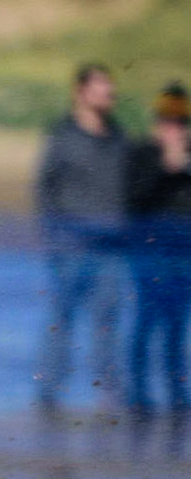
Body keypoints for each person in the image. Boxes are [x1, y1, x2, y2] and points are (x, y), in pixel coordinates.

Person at [33, 63, 129, 416]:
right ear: (81, 91)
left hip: (112, 248)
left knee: (109, 323)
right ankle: (48, 395)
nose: (110, 94)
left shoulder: (119, 136)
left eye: (111, 87)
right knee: (61, 320)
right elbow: (45, 186)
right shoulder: (62, 135)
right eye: (103, 86)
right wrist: (53, 234)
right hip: (70, 246)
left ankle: (110, 395)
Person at [126, 83, 191, 430]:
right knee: (146, 324)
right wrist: (167, 166)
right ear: (157, 123)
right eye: (168, 122)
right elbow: (133, 201)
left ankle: (178, 396)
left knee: (177, 329)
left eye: (181, 123)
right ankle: (137, 395)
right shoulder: (142, 154)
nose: (175, 129)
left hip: (184, 256)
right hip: (149, 254)